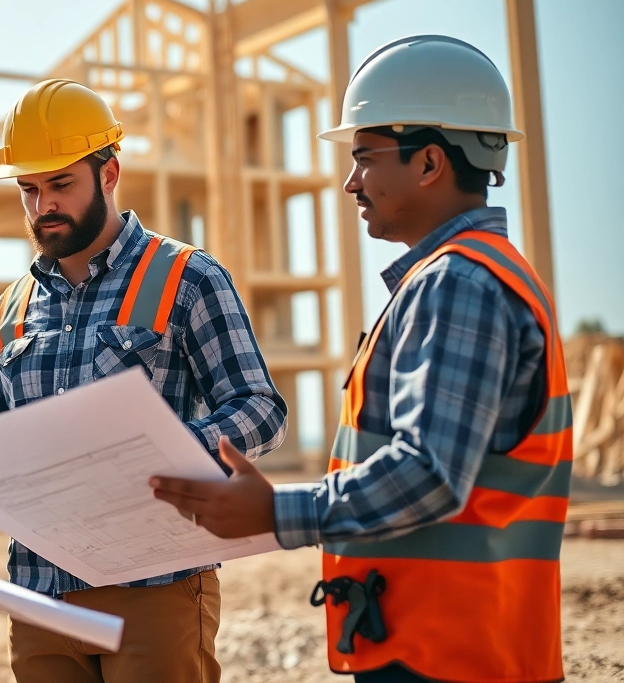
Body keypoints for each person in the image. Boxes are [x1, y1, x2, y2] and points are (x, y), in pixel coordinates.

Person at [150, 35, 570, 683]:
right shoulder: (475, 276)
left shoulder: (457, 283)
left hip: (449, 654)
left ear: (429, 162)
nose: (351, 183)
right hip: (459, 643)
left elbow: (429, 472)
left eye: (365, 158)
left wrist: (276, 513)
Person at [0, 79, 287, 683]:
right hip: (38, 596)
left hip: (154, 590)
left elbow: (260, 409)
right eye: (29, 189)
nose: (43, 205)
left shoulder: (188, 278)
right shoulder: (8, 311)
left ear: (109, 173)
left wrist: (160, 453)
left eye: (61, 184)